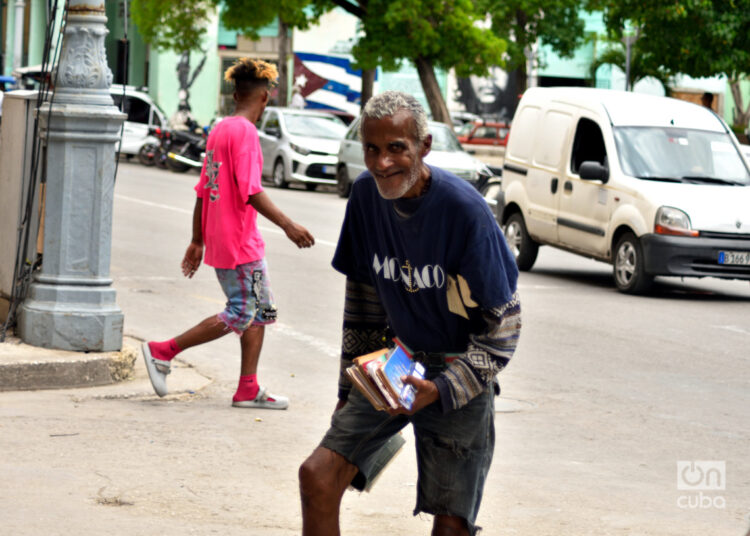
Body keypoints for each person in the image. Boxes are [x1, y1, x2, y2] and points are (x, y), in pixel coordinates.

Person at [298, 91, 521, 535]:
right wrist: (349, 385)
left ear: (424, 146)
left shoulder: (465, 212)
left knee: (451, 523)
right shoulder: (365, 197)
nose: (382, 163)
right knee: (318, 476)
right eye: (372, 149)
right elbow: (362, 299)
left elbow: (505, 330)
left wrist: (439, 389)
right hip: (396, 363)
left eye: (397, 148)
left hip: (460, 371)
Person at [142, 58, 315, 408]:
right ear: (264, 98)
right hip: (239, 243)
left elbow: (204, 189)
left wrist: (197, 239)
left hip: (226, 238)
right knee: (241, 311)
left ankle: (248, 389)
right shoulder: (246, 133)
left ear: (236, 94)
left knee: (261, 311)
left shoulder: (220, 129)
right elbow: (250, 191)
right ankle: (164, 351)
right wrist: (289, 225)